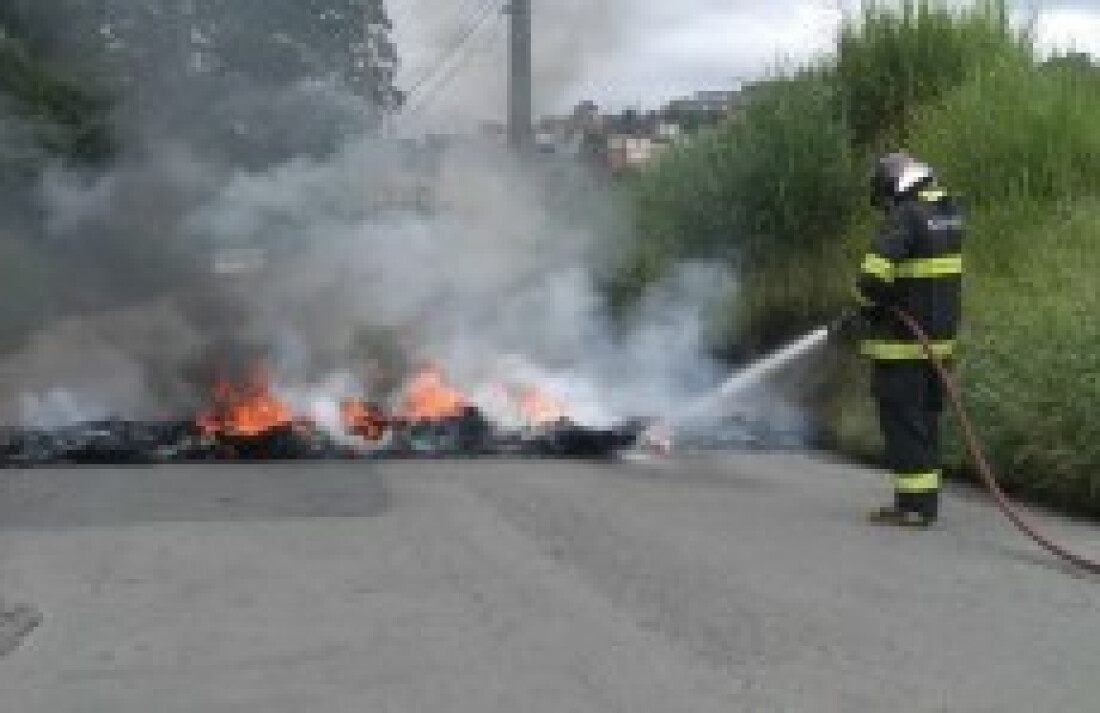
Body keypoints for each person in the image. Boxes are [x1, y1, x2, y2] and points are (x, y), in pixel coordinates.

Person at [854, 152, 964, 527]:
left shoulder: (906, 217)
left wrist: (869, 307)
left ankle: (913, 508)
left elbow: (872, 277)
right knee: (925, 427)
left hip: (901, 348)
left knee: (903, 428)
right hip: (938, 349)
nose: (886, 206)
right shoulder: (948, 215)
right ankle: (922, 503)